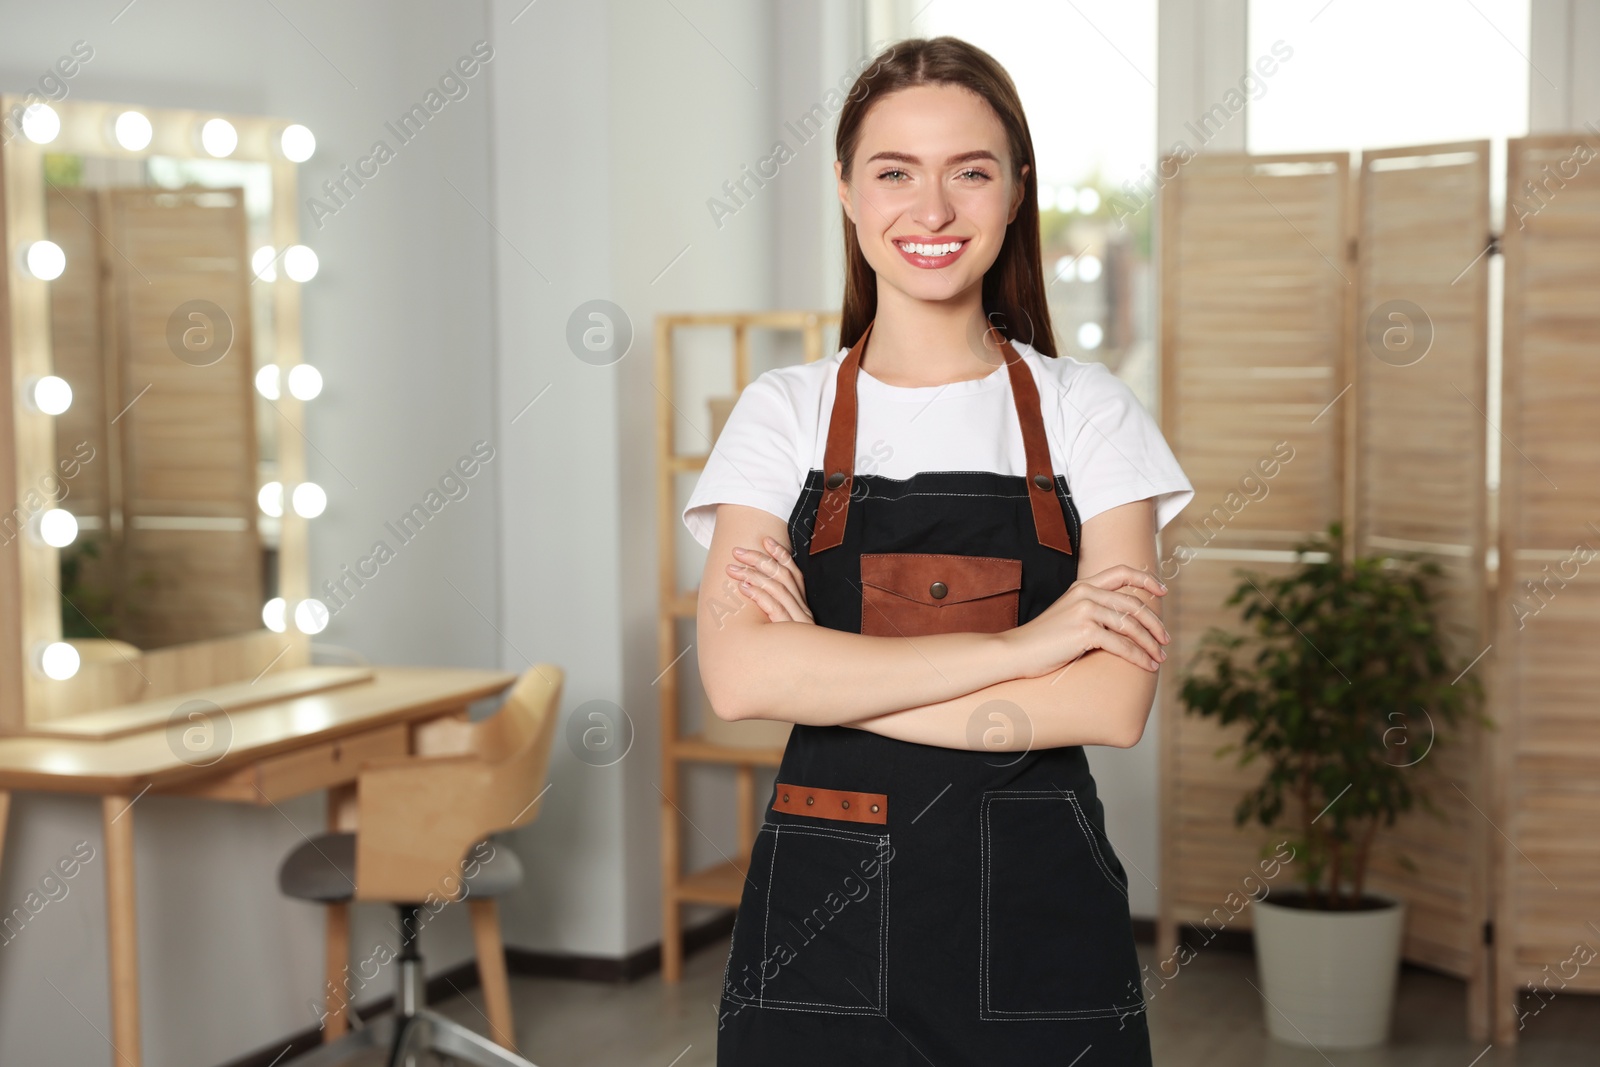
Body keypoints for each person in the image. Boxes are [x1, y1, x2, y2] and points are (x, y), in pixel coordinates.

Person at [682, 35, 1193, 1067]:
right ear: (845, 191)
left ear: (1013, 192)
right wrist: (1023, 648)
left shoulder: (1086, 410)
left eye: (969, 170)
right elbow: (737, 678)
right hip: (817, 938)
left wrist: (824, 672)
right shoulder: (783, 412)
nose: (932, 210)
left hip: (1039, 925)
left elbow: (1108, 701)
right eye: (894, 172)